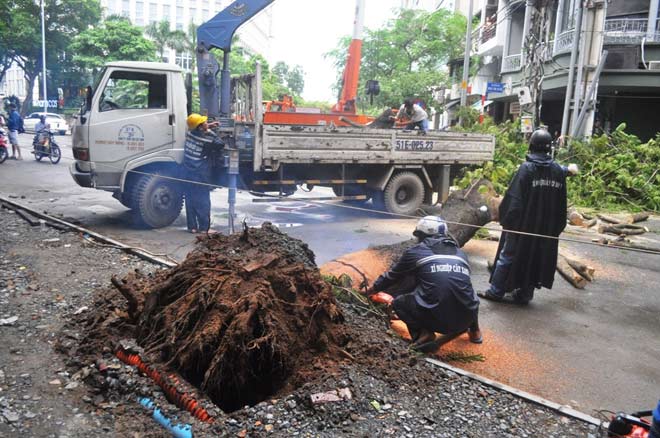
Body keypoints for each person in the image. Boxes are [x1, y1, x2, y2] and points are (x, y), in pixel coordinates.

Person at [479, 128, 577, 305]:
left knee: (507, 256)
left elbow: (514, 198)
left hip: (522, 226)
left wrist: (507, 220)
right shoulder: (557, 171)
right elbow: (561, 199)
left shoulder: (526, 168)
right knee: (535, 257)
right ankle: (525, 295)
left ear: (531, 145)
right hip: (544, 228)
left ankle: (496, 292)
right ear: (549, 148)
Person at [366, 216, 482, 350]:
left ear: (421, 235)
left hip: (437, 322)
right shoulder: (461, 254)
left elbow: (392, 277)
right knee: (467, 292)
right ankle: (475, 332)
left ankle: (423, 334)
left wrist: (372, 289)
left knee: (399, 302)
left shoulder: (416, 252)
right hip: (465, 320)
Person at [183, 113, 224, 234]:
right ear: (200, 128)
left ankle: (192, 227)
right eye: (204, 123)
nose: (207, 124)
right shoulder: (206, 138)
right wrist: (210, 131)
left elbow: (197, 130)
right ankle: (204, 228)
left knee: (190, 199)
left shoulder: (190, 135)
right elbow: (220, 143)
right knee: (203, 200)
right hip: (199, 174)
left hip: (187, 171)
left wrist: (207, 126)